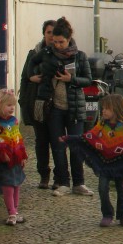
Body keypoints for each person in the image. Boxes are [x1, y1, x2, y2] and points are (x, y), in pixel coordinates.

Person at [60, 93, 123, 227]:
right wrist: (70, 138)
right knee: (102, 188)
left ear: (116, 109)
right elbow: (88, 137)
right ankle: (107, 214)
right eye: (103, 108)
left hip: (122, 165)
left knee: (122, 191)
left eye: (106, 108)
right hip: (105, 164)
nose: (103, 111)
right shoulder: (101, 126)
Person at [37, 16, 95, 197]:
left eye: (61, 42)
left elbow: (88, 80)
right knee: (58, 145)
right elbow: (32, 63)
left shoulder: (80, 56)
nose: (58, 45)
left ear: (69, 39)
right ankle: (63, 182)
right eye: (55, 42)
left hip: (75, 107)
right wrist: (35, 76)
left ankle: (79, 183)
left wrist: (72, 79)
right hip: (54, 107)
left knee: (76, 146)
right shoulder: (47, 54)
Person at [18, 19, 56, 189]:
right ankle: (44, 175)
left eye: (54, 33)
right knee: (41, 140)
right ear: (44, 34)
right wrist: (24, 101)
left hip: (56, 103)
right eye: (49, 32)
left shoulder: (61, 53)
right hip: (38, 103)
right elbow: (25, 77)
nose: (51, 36)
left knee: (57, 141)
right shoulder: (34, 53)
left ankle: (60, 177)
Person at [0, 88, 28, 226]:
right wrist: (1, 153)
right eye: (8, 105)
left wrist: (22, 155)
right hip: (3, 162)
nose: (11, 109)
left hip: (15, 159)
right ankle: (11, 212)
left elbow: (18, 139)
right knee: (8, 186)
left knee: (16, 185)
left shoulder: (13, 121)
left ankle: (15, 211)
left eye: (13, 106)